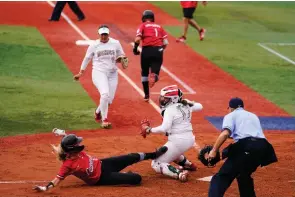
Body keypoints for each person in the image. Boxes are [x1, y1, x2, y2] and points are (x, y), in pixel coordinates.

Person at [32, 133, 168, 192]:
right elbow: (56, 180)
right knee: (136, 178)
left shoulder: (73, 151)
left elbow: (68, 141)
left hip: (103, 164)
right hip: (100, 178)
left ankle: (154, 154)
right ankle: (126, 175)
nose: (80, 143)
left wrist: (63, 135)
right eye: (77, 143)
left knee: (131, 156)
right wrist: (45, 188)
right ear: (73, 149)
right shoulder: (68, 165)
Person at [208, 97, 278, 197]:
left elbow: (225, 134)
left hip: (247, 146)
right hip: (264, 148)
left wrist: (214, 150)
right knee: (243, 175)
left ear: (231, 108)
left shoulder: (231, 115)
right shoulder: (253, 115)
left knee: (221, 177)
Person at [140, 85, 203, 182]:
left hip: (178, 141)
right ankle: (188, 165)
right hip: (189, 139)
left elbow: (164, 128)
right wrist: (189, 102)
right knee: (170, 152)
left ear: (173, 99)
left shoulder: (169, 110)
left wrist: (149, 130)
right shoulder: (186, 105)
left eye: (165, 98)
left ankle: (179, 174)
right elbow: (200, 106)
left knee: (156, 163)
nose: (162, 99)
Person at [73, 25, 128, 128]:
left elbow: (122, 55)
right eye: (102, 34)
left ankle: (98, 112)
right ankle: (105, 120)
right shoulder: (94, 45)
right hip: (99, 72)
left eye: (105, 34)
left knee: (109, 100)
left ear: (108, 34)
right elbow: (87, 58)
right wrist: (81, 72)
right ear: (98, 34)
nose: (104, 36)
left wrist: (121, 59)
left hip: (112, 73)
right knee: (105, 94)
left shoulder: (115, 43)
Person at [133, 10, 169, 102]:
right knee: (156, 65)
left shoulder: (143, 26)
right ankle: (154, 75)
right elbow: (165, 42)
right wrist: (160, 50)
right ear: (153, 18)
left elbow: (137, 39)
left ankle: (146, 95)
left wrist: (135, 48)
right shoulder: (160, 27)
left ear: (143, 18)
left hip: (146, 51)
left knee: (144, 73)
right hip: (158, 49)